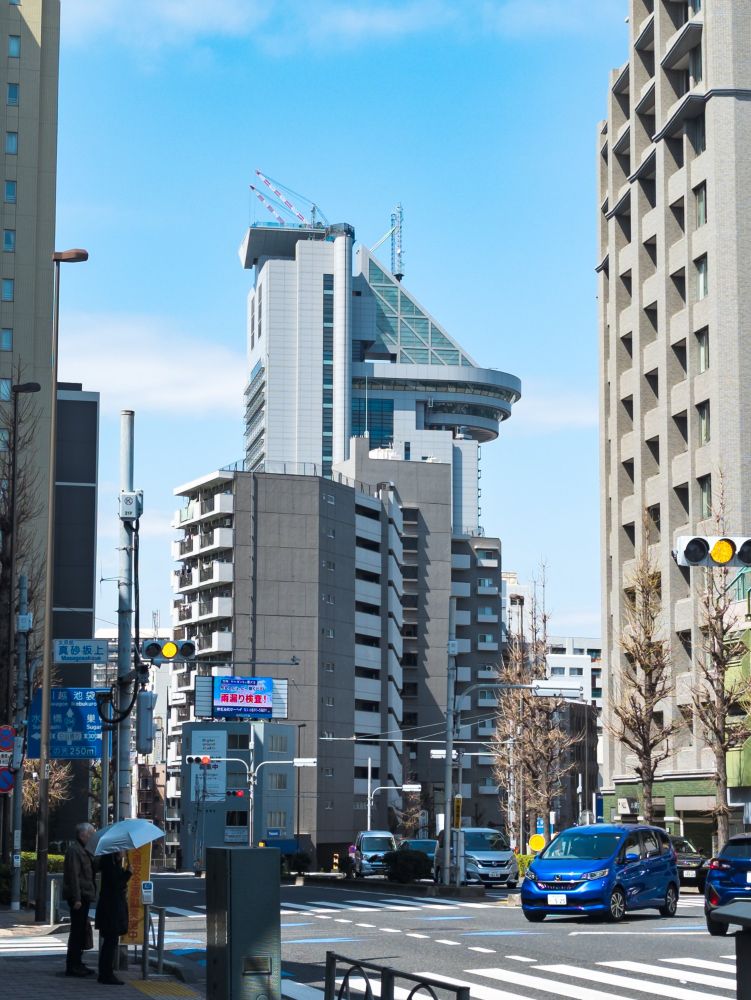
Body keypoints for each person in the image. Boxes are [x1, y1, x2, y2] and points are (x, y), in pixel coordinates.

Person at [62, 821, 97, 977]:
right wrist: (76, 898)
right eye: (91, 834)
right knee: (76, 932)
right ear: (83, 835)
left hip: (84, 894)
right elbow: (74, 876)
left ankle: (77, 962)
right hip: (79, 896)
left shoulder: (84, 849)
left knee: (81, 930)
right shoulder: (75, 850)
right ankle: (73, 965)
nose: (92, 836)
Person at [95, 851, 131, 985]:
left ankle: (105, 973)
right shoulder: (111, 866)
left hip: (109, 909)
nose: (124, 852)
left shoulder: (110, 863)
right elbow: (117, 884)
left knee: (109, 943)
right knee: (110, 942)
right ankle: (106, 974)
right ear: (115, 852)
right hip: (112, 910)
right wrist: (128, 873)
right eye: (122, 849)